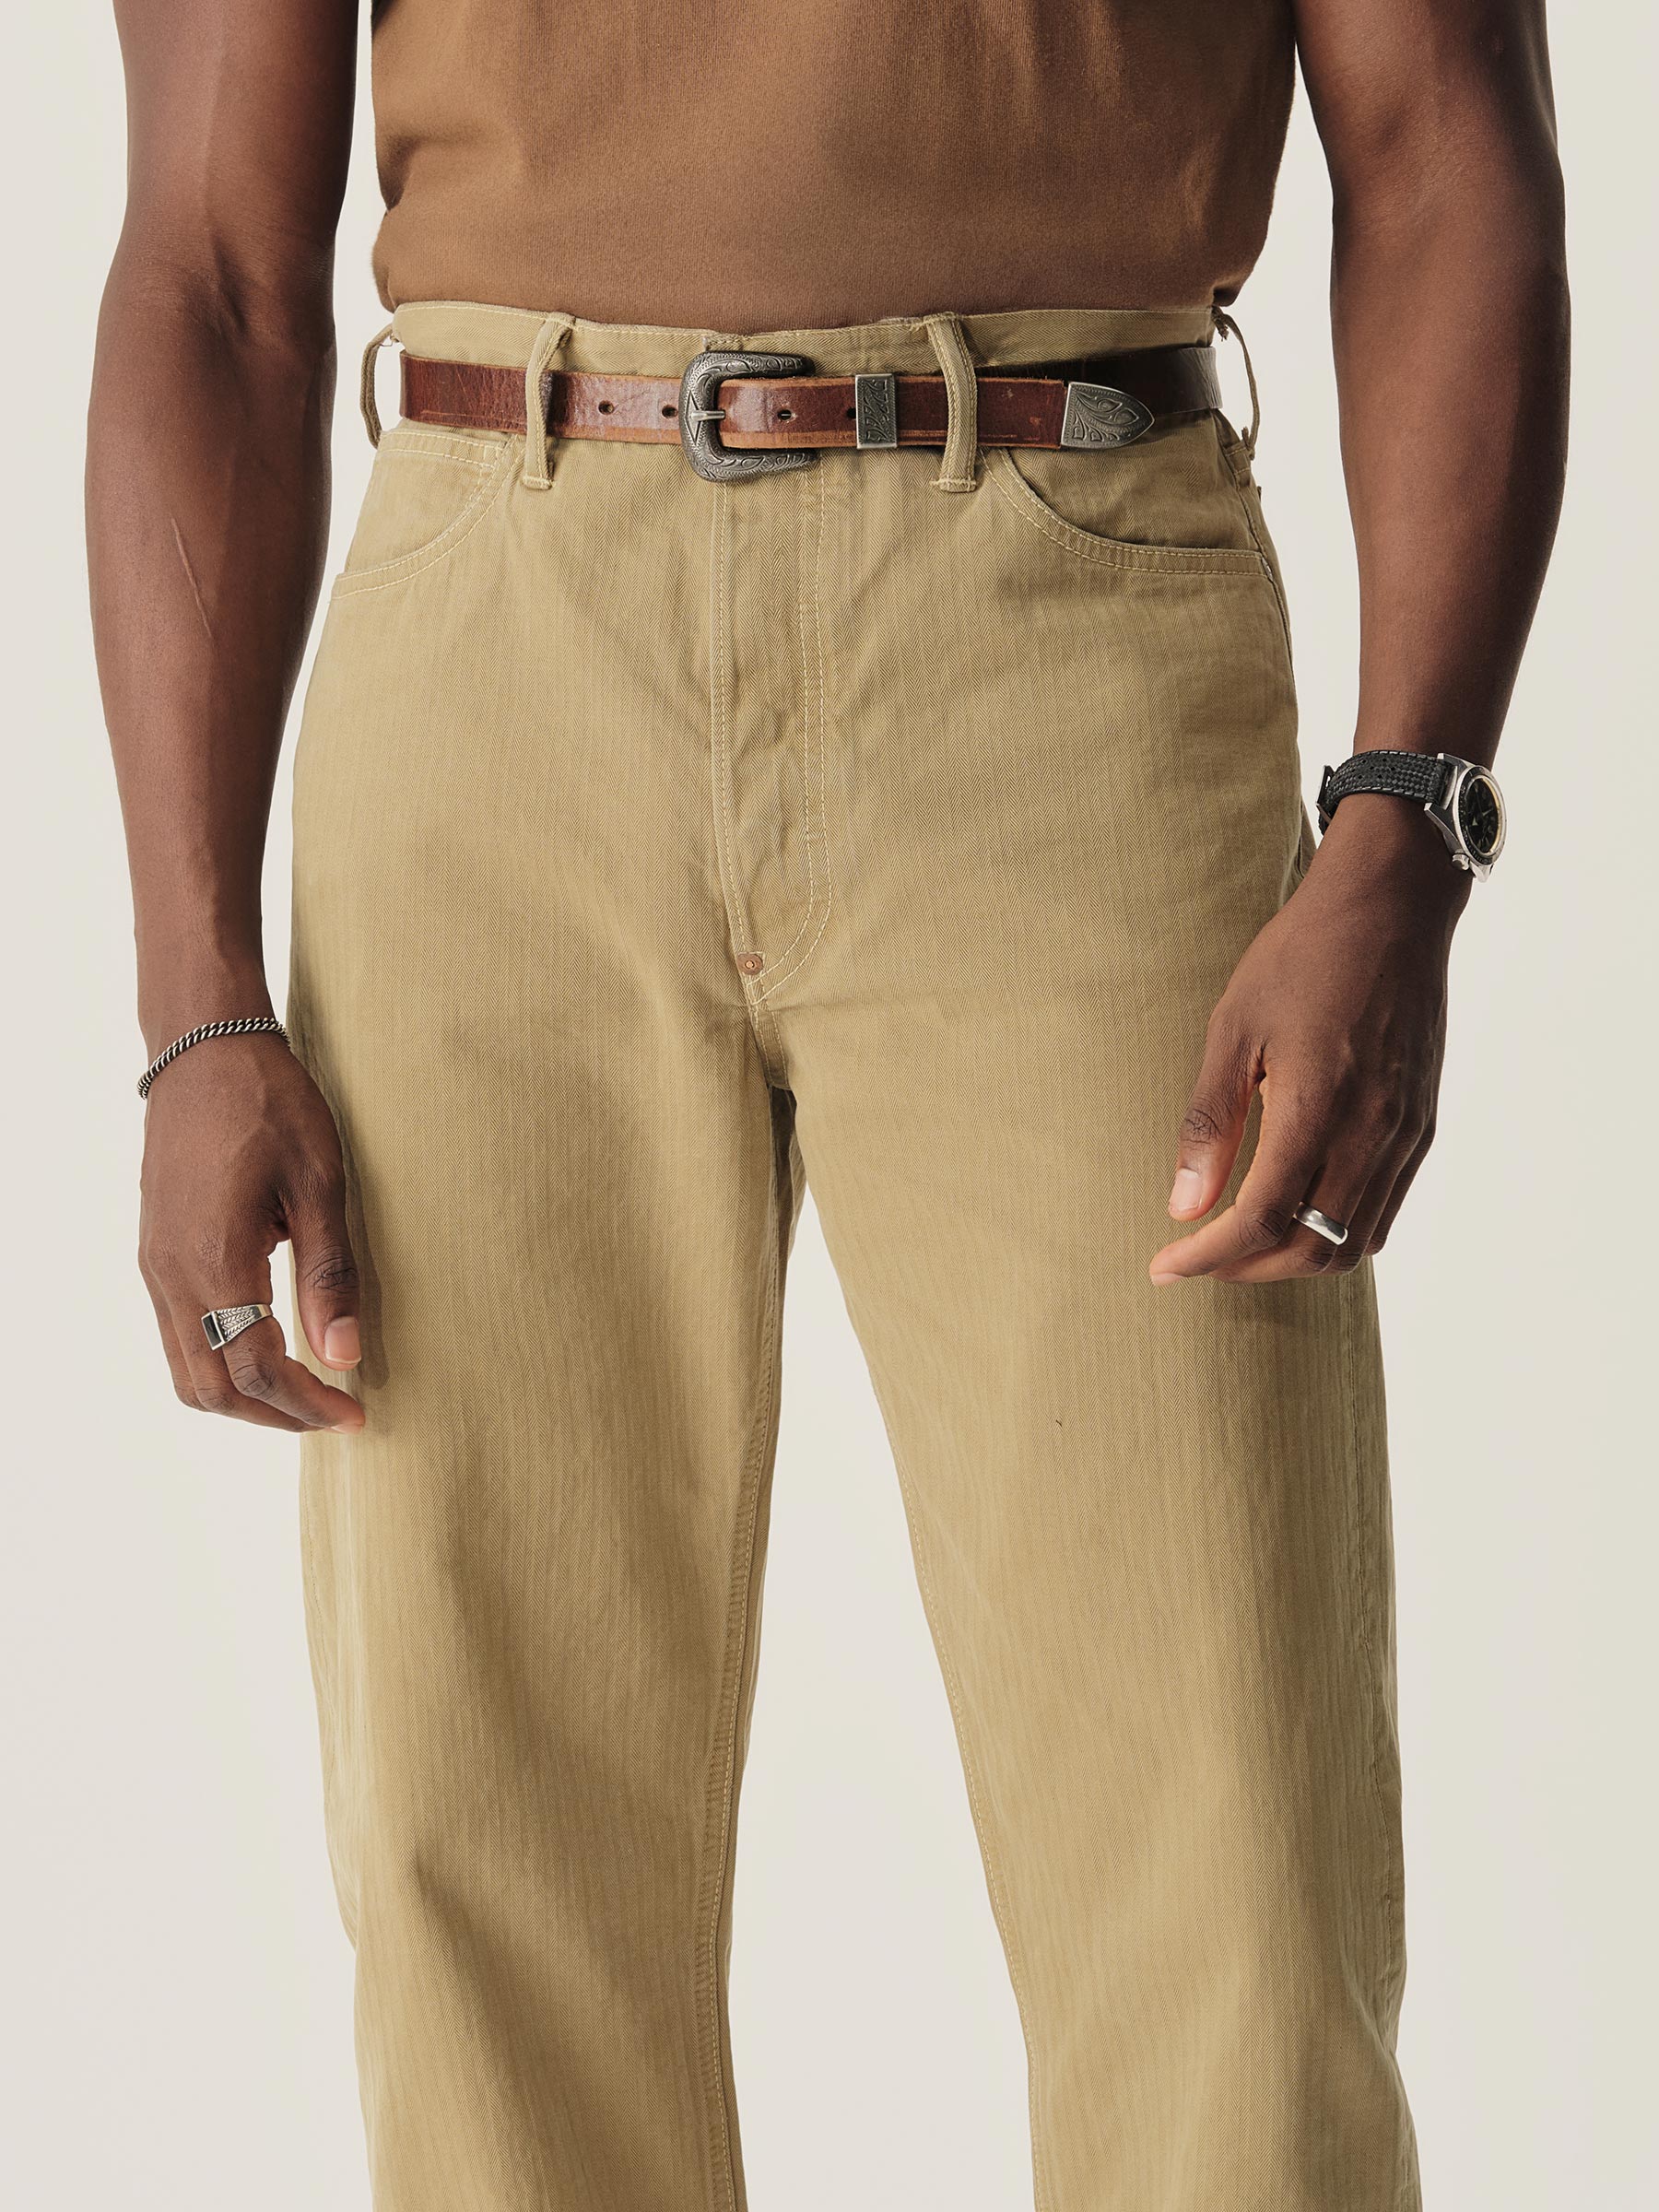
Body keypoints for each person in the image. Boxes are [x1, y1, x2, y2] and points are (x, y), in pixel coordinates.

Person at [88, 3, 1568, 2206]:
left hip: (1069, 622)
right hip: (495, 650)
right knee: (479, 1862)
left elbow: (1444, 146)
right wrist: (198, 1001)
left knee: (1228, 1845)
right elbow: (210, 265)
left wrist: (1406, 827)